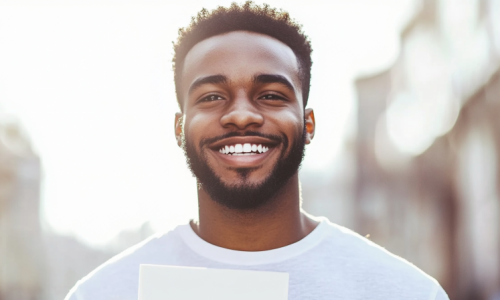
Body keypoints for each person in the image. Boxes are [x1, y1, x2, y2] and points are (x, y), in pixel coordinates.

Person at [65, 2, 449, 299]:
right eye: (213, 96)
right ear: (180, 129)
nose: (242, 115)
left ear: (308, 124)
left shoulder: (405, 293)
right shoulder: (104, 293)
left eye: (270, 95)